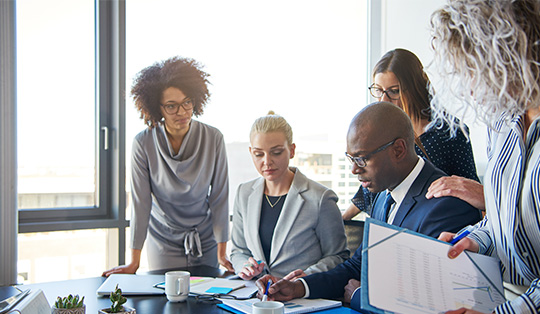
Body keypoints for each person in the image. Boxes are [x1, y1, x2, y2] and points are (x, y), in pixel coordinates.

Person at [255, 102, 482, 311]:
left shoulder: (447, 205)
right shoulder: (383, 194)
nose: (354, 169)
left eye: (361, 159)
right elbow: (358, 265)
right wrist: (298, 287)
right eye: (350, 158)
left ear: (399, 150)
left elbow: (431, 304)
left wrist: (360, 296)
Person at [429, 1, 540, 313]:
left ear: (507, 55)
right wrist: (476, 240)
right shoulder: (501, 125)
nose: (471, 90)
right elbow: (501, 218)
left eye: (472, 69)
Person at [102, 56, 234, 276]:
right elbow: (140, 203)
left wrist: (222, 253)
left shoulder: (213, 138)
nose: (182, 112)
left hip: (205, 239)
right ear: (157, 108)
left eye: (187, 102)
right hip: (162, 239)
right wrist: (133, 262)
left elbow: (220, 198)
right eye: (171, 106)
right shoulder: (143, 143)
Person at [342, 48, 480, 221]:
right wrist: (343, 219)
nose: (384, 100)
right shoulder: (383, 132)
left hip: (435, 223)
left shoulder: (449, 132)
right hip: (392, 220)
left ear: (414, 88)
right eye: (378, 90)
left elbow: (469, 188)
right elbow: (369, 184)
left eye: (394, 91)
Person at [230, 112, 349, 280]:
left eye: (276, 152)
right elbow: (238, 251)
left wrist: (301, 279)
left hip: (301, 299)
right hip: (254, 298)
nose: (267, 161)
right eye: (258, 154)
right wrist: (246, 267)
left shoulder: (320, 198)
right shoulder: (244, 193)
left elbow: (338, 257)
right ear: (251, 152)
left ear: (292, 150)